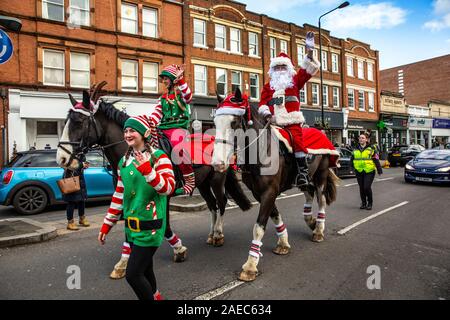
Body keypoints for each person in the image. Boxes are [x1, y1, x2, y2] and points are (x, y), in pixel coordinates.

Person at [98, 116, 175, 300]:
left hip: (151, 226)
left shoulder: (159, 157)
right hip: (131, 229)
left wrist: (149, 172)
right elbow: (119, 195)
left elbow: (169, 188)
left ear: (145, 133)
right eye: (125, 131)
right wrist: (107, 224)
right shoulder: (123, 162)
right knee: (146, 269)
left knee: (133, 274)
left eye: (132, 130)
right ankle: (156, 296)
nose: (127, 134)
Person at [258, 31, 320, 187]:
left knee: (298, 141)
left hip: (292, 121)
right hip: (273, 123)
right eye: (277, 67)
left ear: (288, 68)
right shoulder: (268, 86)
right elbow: (263, 103)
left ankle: (303, 174)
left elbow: (307, 69)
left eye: (282, 67)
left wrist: (310, 50)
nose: (280, 70)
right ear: (273, 70)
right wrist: (266, 115)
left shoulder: (295, 81)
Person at [148, 64, 194, 196]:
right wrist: (148, 123)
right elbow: (156, 115)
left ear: (172, 78)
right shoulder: (162, 98)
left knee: (178, 148)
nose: (163, 81)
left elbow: (189, 97)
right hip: (163, 128)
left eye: (165, 78)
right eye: (162, 79)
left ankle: (189, 181)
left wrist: (181, 80)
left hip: (179, 129)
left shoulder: (181, 94)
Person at [351, 132, 383, 210]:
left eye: (363, 138)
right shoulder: (355, 149)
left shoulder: (371, 149)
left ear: (366, 140)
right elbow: (351, 160)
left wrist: (379, 169)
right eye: (360, 138)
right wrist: (351, 169)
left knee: (366, 187)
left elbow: (375, 159)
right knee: (361, 188)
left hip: (369, 171)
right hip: (359, 171)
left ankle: (370, 203)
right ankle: (364, 203)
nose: (361, 139)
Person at [63, 155, 90, 230]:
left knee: (81, 200)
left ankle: (82, 218)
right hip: (71, 179)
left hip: (80, 179)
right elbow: (65, 165)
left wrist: (84, 165)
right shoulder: (67, 153)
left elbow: (79, 165)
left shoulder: (81, 153)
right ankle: (70, 222)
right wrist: (81, 165)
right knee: (71, 201)